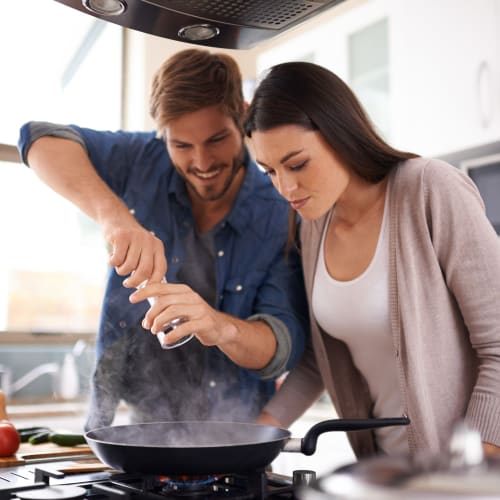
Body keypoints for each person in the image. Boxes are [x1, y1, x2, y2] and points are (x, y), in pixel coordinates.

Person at [17, 49, 308, 430]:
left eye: (217, 139)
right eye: (181, 145)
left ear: (244, 114)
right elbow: (37, 139)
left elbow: (280, 346)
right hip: (137, 426)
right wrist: (116, 219)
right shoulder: (144, 159)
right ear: (163, 135)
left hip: (236, 438)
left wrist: (218, 327)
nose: (202, 163)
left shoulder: (280, 211)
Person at [244, 61, 500, 459]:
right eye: (270, 171)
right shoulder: (315, 224)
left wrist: (469, 469)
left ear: (340, 134)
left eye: (297, 164)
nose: (286, 187)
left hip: (463, 479)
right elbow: (322, 357)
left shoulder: (430, 190)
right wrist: (257, 434)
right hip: (385, 474)